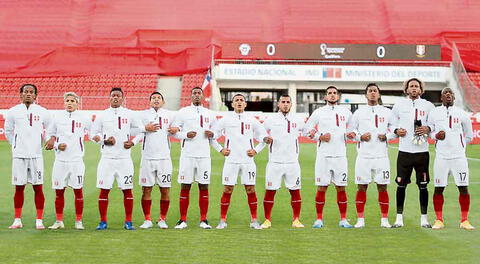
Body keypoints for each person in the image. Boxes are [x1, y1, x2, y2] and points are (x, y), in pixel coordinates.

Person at [212, 94, 267, 230]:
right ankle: (222, 220)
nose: (239, 102)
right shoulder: (225, 119)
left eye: (241, 100)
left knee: (250, 189)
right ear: (232, 104)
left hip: (248, 161)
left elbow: (264, 136)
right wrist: (220, 149)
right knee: (228, 189)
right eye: (236, 100)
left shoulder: (252, 120)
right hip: (231, 160)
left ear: (245, 104)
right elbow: (213, 135)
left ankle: (254, 220)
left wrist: (256, 150)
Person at [91, 87, 143, 230]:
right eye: (113, 95)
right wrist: (103, 140)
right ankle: (103, 221)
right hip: (107, 159)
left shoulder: (130, 114)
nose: (115, 98)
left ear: (122, 98)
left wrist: (133, 142)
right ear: (109, 98)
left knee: (127, 190)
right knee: (104, 190)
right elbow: (93, 135)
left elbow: (142, 130)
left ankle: (128, 221)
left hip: (124, 159)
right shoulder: (102, 115)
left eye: (118, 96)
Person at [305, 86, 354, 228]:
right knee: (322, 187)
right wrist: (319, 136)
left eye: (334, 93)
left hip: (340, 156)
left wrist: (352, 135)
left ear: (338, 96)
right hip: (323, 156)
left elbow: (353, 130)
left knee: (341, 187)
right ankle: (319, 218)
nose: (332, 95)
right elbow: (306, 130)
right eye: (329, 93)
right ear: (325, 97)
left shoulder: (346, 112)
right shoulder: (319, 112)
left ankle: (343, 219)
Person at [172, 87, 221, 229]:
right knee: (185, 185)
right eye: (194, 93)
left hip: (204, 156)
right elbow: (174, 132)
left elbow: (217, 132)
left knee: (204, 186)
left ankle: (204, 220)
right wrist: (186, 135)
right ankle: (182, 220)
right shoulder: (183, 112)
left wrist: (213, 134)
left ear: (203, 96)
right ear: (191, 96)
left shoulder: (210, 114)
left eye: (199, 93)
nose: (197, 95)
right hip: (187, 155)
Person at [5, 84, 51, 229]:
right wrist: (16, 145)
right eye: (26, 92)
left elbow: (49, 129)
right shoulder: (13, 111)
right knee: (19, 187)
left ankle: (39, 220)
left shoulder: (43, 112)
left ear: (36, 96)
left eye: (32, 92)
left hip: (36, 155)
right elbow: (8, 131)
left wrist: (48, 140)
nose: (29, 94)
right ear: (21, 94)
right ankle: (17, 220)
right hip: (19, 156)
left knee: (38, 187)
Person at [428, 87, 475, 230]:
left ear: (454, 97)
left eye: (451, 93)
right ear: (441, 97)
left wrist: (458, 147)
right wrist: (436, 136)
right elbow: (429, 132)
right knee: (438, 188)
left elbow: (469, 136)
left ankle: (464, 220)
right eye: (445, 93)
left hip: (459, 158)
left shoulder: (462, 114)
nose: (448, 95)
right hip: (441, 158)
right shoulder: (434, 113)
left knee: (463, 188)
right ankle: (439, 220)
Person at [347, 83, 393, 228]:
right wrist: (360, 137)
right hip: (364, 157)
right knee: (361, 187)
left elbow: (394, 129)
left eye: (375, 91)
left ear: (379, 94)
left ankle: (384, 220)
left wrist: (387, 136)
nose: (372, 93)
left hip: (381, 157)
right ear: (366, 95)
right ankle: (360, 220)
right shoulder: (359, 113)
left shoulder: (387, 112)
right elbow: (350, 132)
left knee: (383, 187)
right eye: (370, 91)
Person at [391, 78, 434, 228]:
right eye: (411, 86)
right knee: (401, 185)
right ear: (406, 89)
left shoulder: (428, 106)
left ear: (421, 89)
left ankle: (424, 219)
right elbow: (391, 125)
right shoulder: (399, 105)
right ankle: (398, 219)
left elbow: (434, 125)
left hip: (422, 152)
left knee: (423, 185)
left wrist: (428, 129)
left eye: (416, 86)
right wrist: (396, 131)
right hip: (404, 152)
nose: (414, 88)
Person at [258, 94, 305, 229]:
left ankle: (296, 219)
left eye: (288, 102)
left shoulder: (298, 120)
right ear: (278, 104)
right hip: (275, 163)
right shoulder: (271, 119)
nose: (285, 104)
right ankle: (267, 219)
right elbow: (260, 132)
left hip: (292, 163)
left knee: (295, 191)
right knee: (270, 190)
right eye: (283, 102)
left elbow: (308, 131)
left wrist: (316, 134)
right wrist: (264, 138)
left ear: (291, 104)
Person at [45, 92, 91, 230]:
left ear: (77, 103)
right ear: (64, 103)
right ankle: (59, 221)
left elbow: (94, 132)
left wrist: (100, 138)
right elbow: (49, 134)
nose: (70, 103)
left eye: (73, 101)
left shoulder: (84, 118)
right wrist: (55, 144)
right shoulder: (57, 118)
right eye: (67, 101)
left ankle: (78, 221)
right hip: (60, 161)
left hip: (76, 161)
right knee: (59, 191)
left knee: (78, 191)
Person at [133, 92, 179, 229]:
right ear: (149, 101)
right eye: (153, 98)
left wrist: (178, 128)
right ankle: (147, 219)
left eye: (159, 98)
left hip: (164, 159)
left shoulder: (170, 115)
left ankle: (162, 219)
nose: (156, 100)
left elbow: (176, 128)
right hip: (147, 158)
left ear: (163, 102)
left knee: (165, 190)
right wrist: (136, 139)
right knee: (146, 190)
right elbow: (137, 131)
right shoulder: (142, 115)